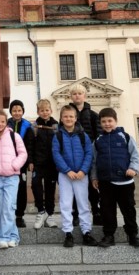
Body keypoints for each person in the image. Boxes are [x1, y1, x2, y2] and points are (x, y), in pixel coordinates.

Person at [92, 108, 139, 248]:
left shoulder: (125, 137)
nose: (107, 124)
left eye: (110, 121)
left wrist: (133, 169)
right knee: (107, 210)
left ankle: (132, 235)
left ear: (116, 121)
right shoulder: (98, 140)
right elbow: (94, 161)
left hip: (125, 182)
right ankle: (109, 235)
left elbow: (135, 155)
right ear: (100, 123)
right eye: (104, 121)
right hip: (105, 182)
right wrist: (94, 177)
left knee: (128, 209)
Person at [52, 105, 98, 248]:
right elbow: (56, 154)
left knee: (83, 203)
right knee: (65, 204)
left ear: (75, 118)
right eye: (65, 116)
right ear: (61, 118)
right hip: (65, 175)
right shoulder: (58, 136)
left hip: (80, 175)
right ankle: (68, 233)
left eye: (71, 116)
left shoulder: (83, 136)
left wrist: (83, 170)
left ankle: (86, 232)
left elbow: (89, 154)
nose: (68, 119)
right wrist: (67, 170)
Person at [0, 110, 27, 249]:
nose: (0, 124)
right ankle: (13, 236)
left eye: (2, 121)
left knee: (9, 207)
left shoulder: (14, 135)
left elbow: (23, 154)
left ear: (6, 122)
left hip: (11, 177)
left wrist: (14, 165)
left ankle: (2, 237)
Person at [69, 83, 101, 224]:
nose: (77, 96)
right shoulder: (67, 115)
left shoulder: (93, 115)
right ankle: (75, 214)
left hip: (89, 156)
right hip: (73, 156)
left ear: (84, 96)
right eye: (74, 94)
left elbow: (98, 135)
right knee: (75, 186)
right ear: (71, 96)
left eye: (79, 93)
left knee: (91, 186)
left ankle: (96, 212)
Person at [32, 99, 59, 229]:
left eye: (47, 110)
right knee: (36, 185)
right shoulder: (34, 126)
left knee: (50, 189)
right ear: (38, 112)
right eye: (42, 110)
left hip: (52, 163)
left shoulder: (56, 126)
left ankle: (50, 214)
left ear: (51, 111)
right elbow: (30, 144)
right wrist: (31, 161)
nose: (45, 112)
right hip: (38, 162)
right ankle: (41, 211)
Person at [7, 100, 34, 229]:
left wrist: (30, 161)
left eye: (19, 110)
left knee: (21, 189)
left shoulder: (28, 126)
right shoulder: (6, 124)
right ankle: (7, 216)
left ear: (23, 111)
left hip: (22, 163)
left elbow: (30, 145)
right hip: (7, 162)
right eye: (14, 110)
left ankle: (19, 216)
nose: (17, 113)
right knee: (7, 190)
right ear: (11, 112)